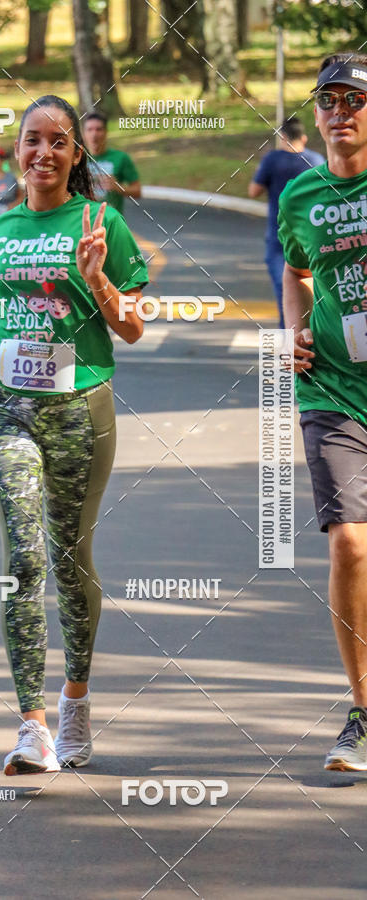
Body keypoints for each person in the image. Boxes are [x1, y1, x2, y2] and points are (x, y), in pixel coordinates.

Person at [0, 94, 148, 775]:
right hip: (7, 407)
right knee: (24, 558)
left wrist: (96, 280)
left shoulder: (101, 221)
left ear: (75, 154)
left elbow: (131, 328)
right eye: (33, 139)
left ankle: (75, 701)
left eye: (59, 141)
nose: (44, 152)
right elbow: (16, 306)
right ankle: (32, 726)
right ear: (18, 149)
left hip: (80, 411)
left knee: (70, 560)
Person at [278, 52, 367, 771]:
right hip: (332, 388)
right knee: (349, 546)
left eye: (355, 100)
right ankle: (362, 711)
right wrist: (294, 328)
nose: (340, 112)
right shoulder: (300, 195)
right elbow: (295, 268)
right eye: (328, 101)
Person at [249, 117, 324, 327]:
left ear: (282, 137)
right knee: (314, 295)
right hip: (313, 239)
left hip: (279, 238)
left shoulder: (272, 160)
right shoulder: (316, 161)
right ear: (304, 137)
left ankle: (289, 339)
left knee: (286, 296)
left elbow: (253, 191)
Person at [83, 111, 141, 217]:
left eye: (99, 129)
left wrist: (118, 187)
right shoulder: (75, 158)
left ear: (106, 132)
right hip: (83, 220)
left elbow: (137, 191)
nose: (94, 134)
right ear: (84, 133)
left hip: (111, 220)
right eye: (90, 129)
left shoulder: (120, 158)